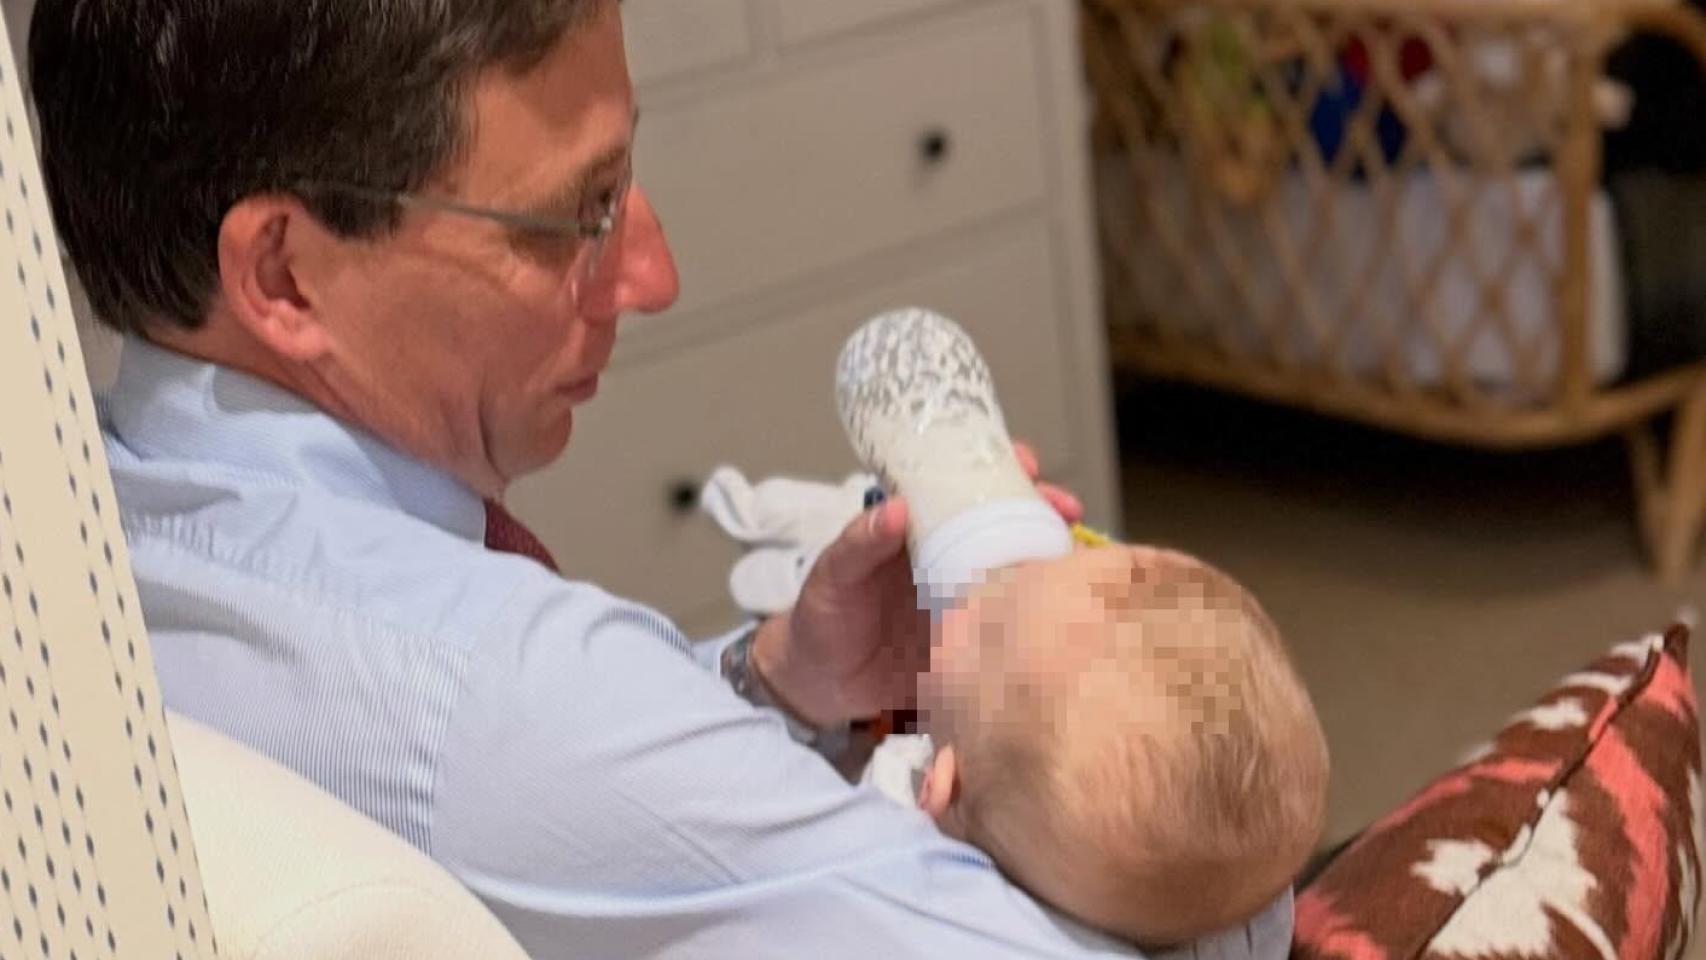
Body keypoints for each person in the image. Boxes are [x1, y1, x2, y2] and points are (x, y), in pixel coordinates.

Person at [27, 0, 1307, 955]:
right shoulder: (504, 700)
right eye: (577, 214)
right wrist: (1155, 762)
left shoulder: (102, 516)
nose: (649, 273)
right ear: (285, 275)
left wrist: (769, 685)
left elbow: (573, 792)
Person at [863, 544, 1327, 956]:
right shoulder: (1236, 913)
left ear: (942, 788)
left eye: (988, 620)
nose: (986, 586)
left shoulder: (898, 835)